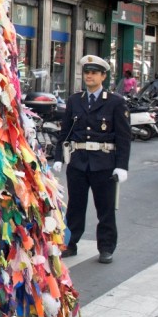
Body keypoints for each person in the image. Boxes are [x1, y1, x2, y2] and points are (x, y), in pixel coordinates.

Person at [52, 55, 132, 265]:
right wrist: (59, 156)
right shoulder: (74, 100)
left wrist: (122, 166)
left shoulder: (115, 102)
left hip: (103, 163)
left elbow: (124, 137)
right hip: (78, 162)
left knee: (104, 208)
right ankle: (70, 243)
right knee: (75, 207)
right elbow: (65, 132)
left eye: (94, 72)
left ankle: (106, 247)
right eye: (87, 72)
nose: (89, 76)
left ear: (103, 76)